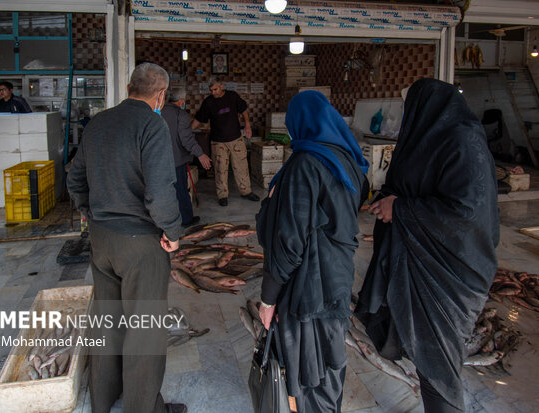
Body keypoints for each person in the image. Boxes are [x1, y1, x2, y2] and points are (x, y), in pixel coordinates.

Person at [354, 78, 500, 413]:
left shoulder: (462, 140)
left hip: (449, 270)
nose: (407, 116)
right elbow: (406, 183)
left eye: (410, 108)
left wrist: (400, 209)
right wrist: (385, 198)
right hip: (418, 258)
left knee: (438, 362)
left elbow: (466, 212)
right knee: (426, 352)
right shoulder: (426, 139)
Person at [67, 63, 187, 413]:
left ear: (130, 86)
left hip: (101, 241)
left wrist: (92, 213)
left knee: (107, 319)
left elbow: (75, 180)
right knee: (144, 328)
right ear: (160, 95)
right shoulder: (152, 124)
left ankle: (102, 400)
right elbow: (160, 193)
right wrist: (172, 232)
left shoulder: (98, 123)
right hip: (140, 244)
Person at [257, 90, 369, 413]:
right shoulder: (345, 158)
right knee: (330, 359)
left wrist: (268, 299)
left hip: (309, 287)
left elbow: (289, 243)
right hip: (338, 276)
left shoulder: (305, 164)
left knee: (308, 370)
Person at [191, 77, 259, 206]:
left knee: (241, 167)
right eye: (211, 90)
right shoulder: (208, 102)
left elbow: (243, 109)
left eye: (215, 89)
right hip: (218, 142)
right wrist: (187, 131)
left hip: (236, 139)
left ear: (222, 86)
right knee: (220, 169)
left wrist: (247, 125)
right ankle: (222, 195)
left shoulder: (232, 97)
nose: (213, 93)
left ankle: (246, 192)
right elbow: (198, 119)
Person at [161, 87, 212, 228]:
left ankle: (164, 220)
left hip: (159, 162)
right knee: (181, 191)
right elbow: (187, 139)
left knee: (163, 191)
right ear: (181, 101)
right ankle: (186, 219)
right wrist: (200, 154)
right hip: (176, 162)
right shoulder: (181, 115)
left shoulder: (158, 112)